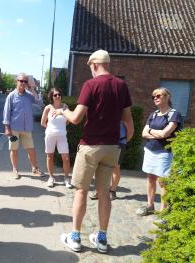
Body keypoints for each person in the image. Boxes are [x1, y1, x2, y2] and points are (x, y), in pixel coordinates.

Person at [53, 50, 134, 253]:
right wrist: (124, 141)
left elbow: (76, 118)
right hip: (112, 147)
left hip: (90, 146)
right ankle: (102, 238)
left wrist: (63, 110)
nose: (90, 70)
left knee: (81, 191)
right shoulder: (121, 85)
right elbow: (128, 120)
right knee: (104, 192)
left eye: (89, 66)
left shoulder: (91, 85)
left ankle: (75, 237)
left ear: (95, 64)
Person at [136, 87, 182, 216]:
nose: (156, 98)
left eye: (159, 95)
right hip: (150, 150)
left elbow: (166, 133)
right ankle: (150, 206)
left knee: (163, 181)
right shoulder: (153, 114)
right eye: (154, 96)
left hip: (164, 152)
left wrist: (151, 131)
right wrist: (156, 133)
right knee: (150, 178)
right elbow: (144, 133)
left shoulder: (174, 114)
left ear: (167, 97)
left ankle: (163, 210)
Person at [2, 73, 43, 179]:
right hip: (14, 128)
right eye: (21, 81)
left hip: (27, 128)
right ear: (17, 81)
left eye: (25, 81)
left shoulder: (29, 95)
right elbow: (6, 113)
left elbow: (39, 103)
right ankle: (15, 170)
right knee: (14, 149)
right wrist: (7, 128)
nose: (23, 83)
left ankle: (35, 169)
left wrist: (33, 88)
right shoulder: (11, 96)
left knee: (31, 149)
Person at [89, 121, 132, 200]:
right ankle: (99, 190)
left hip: (119, 143)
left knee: (116, 167)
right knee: (100, 166)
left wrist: (123, 140)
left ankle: (112, 191)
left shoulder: (123, 112)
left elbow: (130, 130)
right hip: (104, 142)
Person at [40, 88, 73, 188]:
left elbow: (69, 119)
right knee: (50, 156)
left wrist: (62, 126)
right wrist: (50, 129)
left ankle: (67, 178)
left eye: (59, 94)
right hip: (50, 136)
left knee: (66, 158)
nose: (58, 96)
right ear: (52, 97)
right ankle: (51, 177)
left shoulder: (65, 107)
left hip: (62, 136)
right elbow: (42, 122)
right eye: (55, 95)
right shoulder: (48, 108)